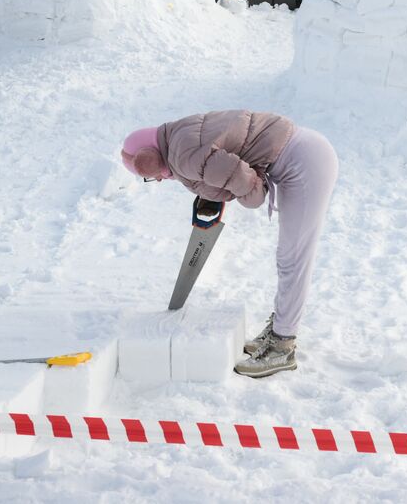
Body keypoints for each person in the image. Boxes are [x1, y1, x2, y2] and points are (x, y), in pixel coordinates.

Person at [120, 110, 339, 379]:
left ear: (149, 160)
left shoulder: (181, 156)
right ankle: (281, 328)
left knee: (293, 257)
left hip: (304, 165)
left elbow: (247, 186)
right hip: (304, 150)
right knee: (289, 256)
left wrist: (253, 192)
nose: (158, 179)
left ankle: (283, 344)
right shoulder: (178, 134)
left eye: (150, 176)